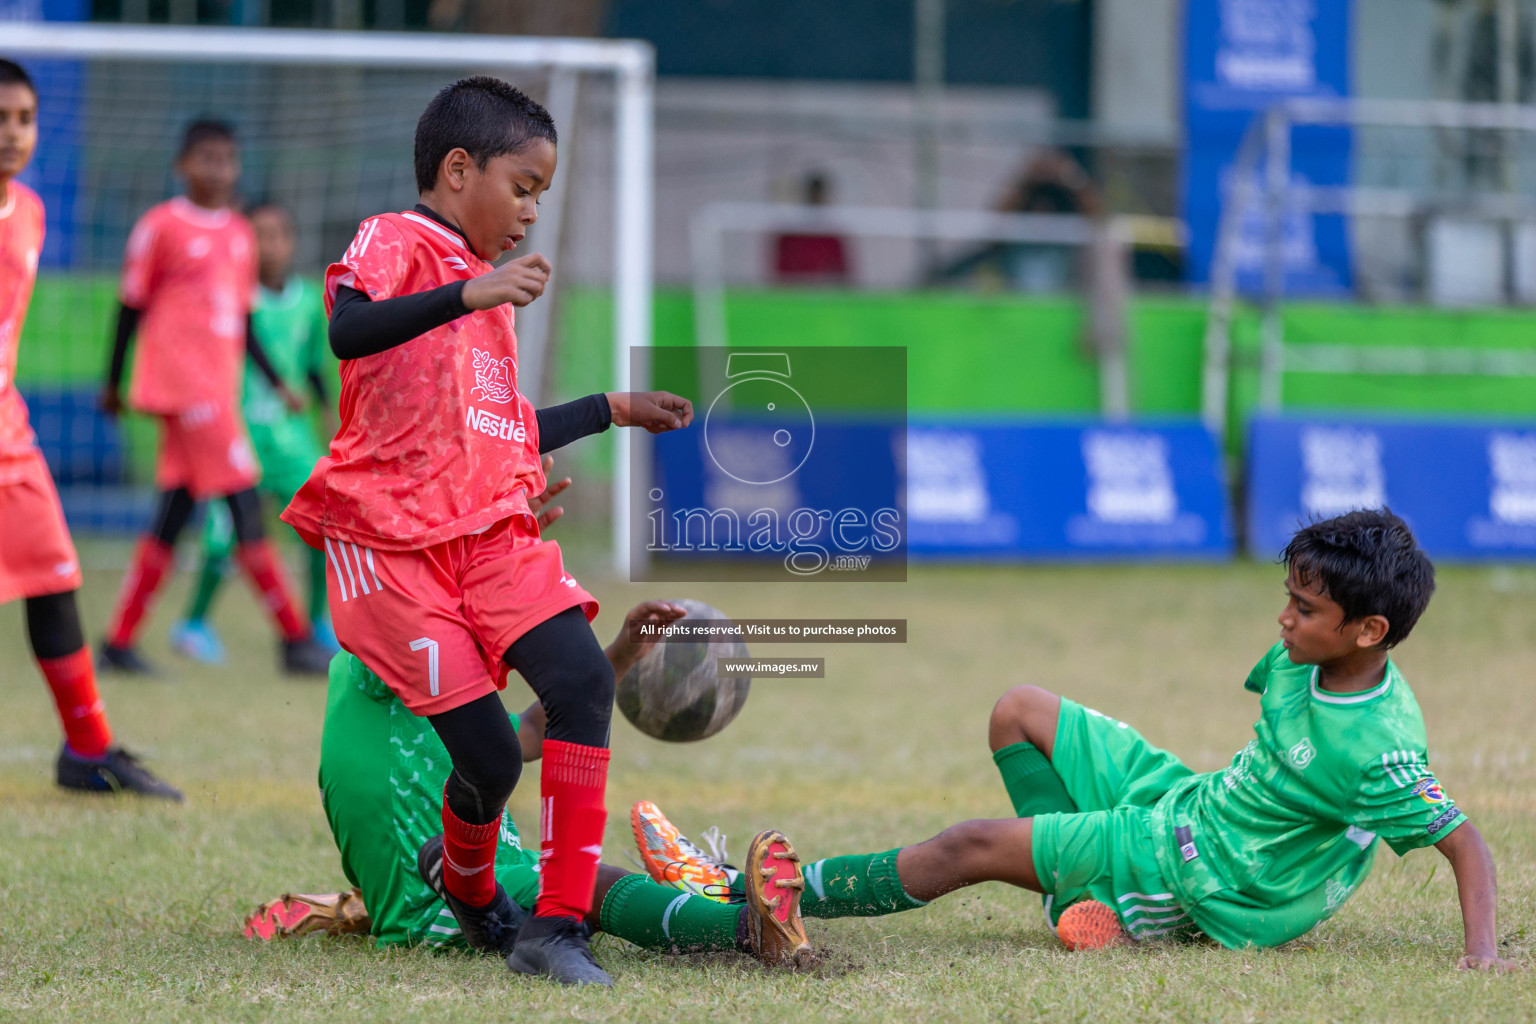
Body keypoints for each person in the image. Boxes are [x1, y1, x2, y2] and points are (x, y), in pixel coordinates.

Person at [638, 510, 1520, 972]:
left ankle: (756, 900)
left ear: (1368, 631)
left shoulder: (1378, 751)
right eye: (1287, 595)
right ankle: (1080, 897)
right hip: (1192, 800)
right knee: (1018, 709)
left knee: (971, 846)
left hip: (1203, 865)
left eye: (1306, 609)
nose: (1283, 618)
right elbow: (1272, 760)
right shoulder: (1304, 656)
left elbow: (1467, 845)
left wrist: (1481, 955)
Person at [278, 76, 693, 985]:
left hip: (488, 537)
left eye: (543, 194)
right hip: (392, 548)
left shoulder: (490, 294)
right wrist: (471, 294)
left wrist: (610, 408)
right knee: (491, 758)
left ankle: (555, 929)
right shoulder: (398, 239)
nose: (533, 212)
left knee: (583, 678)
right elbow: (349, 330)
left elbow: (494, 427)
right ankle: (468, 884)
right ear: (458, 169)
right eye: (524, 186)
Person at [243, 587, 812, 974]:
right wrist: (498, 550)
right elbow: (423, 598)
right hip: (437, 896)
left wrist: (620, 653)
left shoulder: (434, 695)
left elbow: (535, 731)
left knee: (574, 877)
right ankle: (741, 929)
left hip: (466, 874)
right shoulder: (380, 654)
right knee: (585, 881)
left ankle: (737, 892)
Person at [0, 58, 180, 798]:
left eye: (24, 119)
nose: (12, 135)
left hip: (10, 433)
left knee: (53, 575)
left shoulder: (31, 214)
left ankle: (88, 751)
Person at [98, 119, 331, 677]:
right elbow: (129, 306)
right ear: (182, 165)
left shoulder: (239, 235)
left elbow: (244, 322)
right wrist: (113, 382)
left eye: (227, 159)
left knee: (173, 515)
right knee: (244, 507)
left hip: (216, 391)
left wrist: (277, 382)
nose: (218, 170)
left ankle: (118, 641)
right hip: (184, 389)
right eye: (206, 158)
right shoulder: (161, 226)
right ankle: (295, 639)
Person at [170, 201, 336, 664]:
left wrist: (326, 412)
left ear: (291, 242)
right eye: (257, 235)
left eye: (277, 235)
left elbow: (310, 366)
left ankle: (317, 622)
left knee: (321, 520)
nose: (268, 246)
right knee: (222, 537)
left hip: (289, 438)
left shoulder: (306, 301)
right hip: (237, 433)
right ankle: (193, 622)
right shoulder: (231, 297)